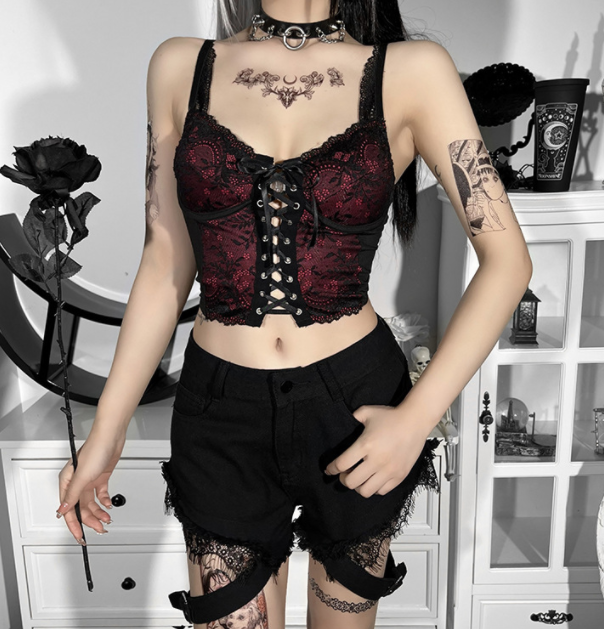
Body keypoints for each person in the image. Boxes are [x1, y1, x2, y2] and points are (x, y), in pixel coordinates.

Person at [55, 1, 533, 628]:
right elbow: (164, 262)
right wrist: (108, 431)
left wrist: (417, 419)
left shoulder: (413, 70)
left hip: (355, 407)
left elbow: (507, 262)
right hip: (220, 414)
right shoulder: (180, 67)